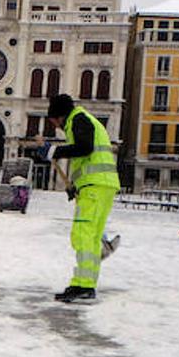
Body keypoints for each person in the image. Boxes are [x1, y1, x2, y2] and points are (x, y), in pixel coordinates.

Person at [35, 93, 120, 302]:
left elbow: (84, 148)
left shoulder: (78, 119)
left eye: (54, 121)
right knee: (90, 237)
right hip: (100, 186)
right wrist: (75, 186)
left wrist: (53, 150)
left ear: (59, 115)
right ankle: (85, 284)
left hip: (95, 186)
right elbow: (87, 157)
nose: (56, 126)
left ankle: (83, 286)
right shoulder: (84, 120)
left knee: (83, 235)